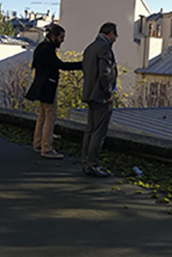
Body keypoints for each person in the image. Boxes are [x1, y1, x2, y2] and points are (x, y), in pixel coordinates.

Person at [25, 24, 83, 159]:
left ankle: (38, 143)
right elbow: (61, 65)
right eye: (61, 37)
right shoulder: (47, 49)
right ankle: (46, 147)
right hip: (47, 87)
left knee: (42, 116)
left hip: (41, 86)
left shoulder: (42, 47)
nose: (63, 40)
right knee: (51, 117)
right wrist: (82, 65)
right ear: (53, 36)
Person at [80, 22, 119, 177]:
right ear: (110, 33)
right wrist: (108, 92)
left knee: (90, 129)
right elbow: (104, 72)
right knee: (99, 131)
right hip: (101, 96)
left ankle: (85, 161)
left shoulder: (90, 47)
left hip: (89, 94)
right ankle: (92, 165)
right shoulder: (104, 48)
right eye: (115, 35)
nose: (115, 39)